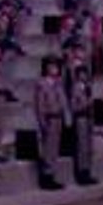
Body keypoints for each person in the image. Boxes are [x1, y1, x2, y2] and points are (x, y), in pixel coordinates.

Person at [34, 55, 69, 190]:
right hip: (48, 118)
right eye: (51, 66)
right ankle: (46, 176)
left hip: (58, 118)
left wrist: (65, 117)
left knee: (55, 149)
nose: (54, 69)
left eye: (56, 66)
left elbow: (63, 102)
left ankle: (52, 174)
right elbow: (39, 105)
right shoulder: (42, 84)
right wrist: (42, 121)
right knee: (48, 149)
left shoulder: (58, 83)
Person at [68, 65, 98, 186]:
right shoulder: (75, 88)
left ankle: (88, 171)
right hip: (80, 117)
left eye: (85, 74)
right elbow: (74, 106)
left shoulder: (87, 87)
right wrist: (86, 104)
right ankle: (81, 173)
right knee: (82, 146)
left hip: (89, 118)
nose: (84, 76)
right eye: (82, 74)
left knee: (89, 146)